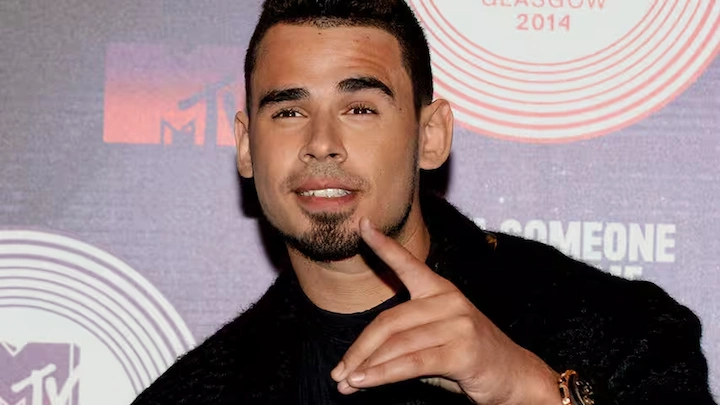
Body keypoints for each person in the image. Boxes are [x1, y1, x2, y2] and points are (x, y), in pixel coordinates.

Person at [131, 0, 716, 404]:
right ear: (245, 147)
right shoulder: (193, 393)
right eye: (288, 111)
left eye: (360, 108)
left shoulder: (619, 328)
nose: (321, 143)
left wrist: (531, 392)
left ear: (430, 135)